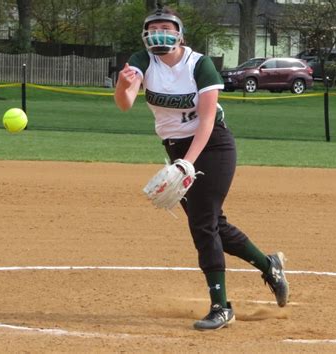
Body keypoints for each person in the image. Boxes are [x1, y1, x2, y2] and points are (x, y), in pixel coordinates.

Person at [114, 5, 289, 331]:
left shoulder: (199, 64)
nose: (159, 33)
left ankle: (221, 307)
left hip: (212, 147)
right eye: (153, 29)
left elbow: (207, 120)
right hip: (177, 150)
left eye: (166, 27)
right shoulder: (142, 60)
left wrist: (187, 165)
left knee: (203, 225)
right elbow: (125, 103)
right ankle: (270, 265)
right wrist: (123, 85)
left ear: (180, 33)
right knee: (211, 224)